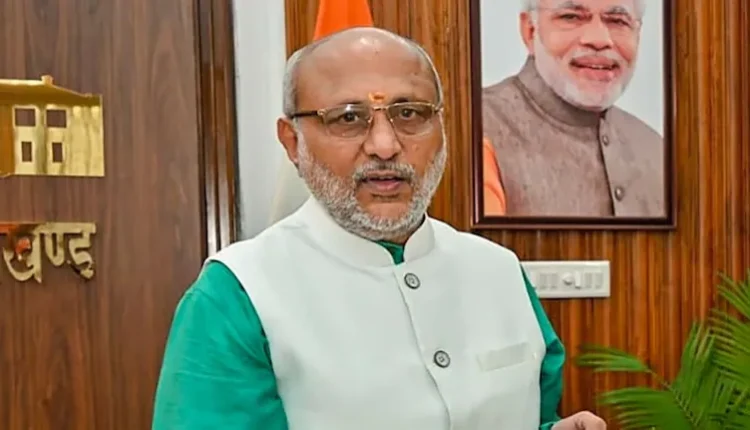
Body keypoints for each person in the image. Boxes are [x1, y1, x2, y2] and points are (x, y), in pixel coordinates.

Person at [152, 27, 606, 430]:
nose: (385, 145)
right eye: (348, 118)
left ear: (441, 127)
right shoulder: (237, 294)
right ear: (292, 143)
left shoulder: (498, 270)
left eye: (410, 113)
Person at [482, 0, 664, 218]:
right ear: (530, 31)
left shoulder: (655, 150)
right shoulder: (475, 125)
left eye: (617, 21)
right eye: (571, 17)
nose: (599, 39)